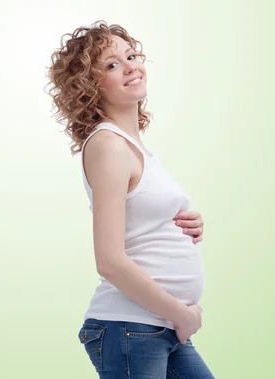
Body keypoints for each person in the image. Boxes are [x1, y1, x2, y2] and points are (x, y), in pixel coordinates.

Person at [45, 20, 214, 378]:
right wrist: (180, 313)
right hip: (130, 328)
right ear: (88, 86)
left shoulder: (133, 147)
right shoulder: (108, 145)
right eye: (111, 64)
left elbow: (140, 220)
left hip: (155, 327)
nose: (130, 66)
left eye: (131, 55)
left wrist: (183, 222)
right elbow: (109, 260)